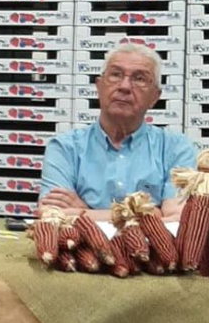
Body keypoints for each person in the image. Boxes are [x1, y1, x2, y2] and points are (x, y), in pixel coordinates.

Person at [39, 41, 197, 220]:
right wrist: (151, 214)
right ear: (99, 86)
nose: (125, 87)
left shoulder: (176, 149)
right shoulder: (65, 148)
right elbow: (51, 214)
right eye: (116, 75)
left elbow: (176, 220)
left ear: (154, 97)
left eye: (139, 78)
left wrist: (85, 212)